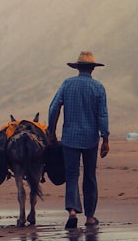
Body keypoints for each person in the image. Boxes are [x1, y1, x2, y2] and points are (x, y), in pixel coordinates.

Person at [47, 51, 110, 228]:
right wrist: (105, 138)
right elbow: (102, 115)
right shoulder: (98, 88)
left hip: (69, 138)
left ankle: (73, 211)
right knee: (90, 176)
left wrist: (51, 131)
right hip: (90, 139)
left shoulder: (67, 84)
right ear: (92, 69)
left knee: (72, 175)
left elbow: (54, 108)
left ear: (78, 68)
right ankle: (90, 217)